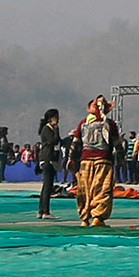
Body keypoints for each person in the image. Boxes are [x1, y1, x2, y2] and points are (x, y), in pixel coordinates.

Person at [72, 96, 120, 227]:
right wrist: (121, 159)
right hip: (103, 160)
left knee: (84, 189)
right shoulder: (109, 124)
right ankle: (98, 217)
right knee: (102, 188)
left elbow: (75, 143)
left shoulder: (83, 123)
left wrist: (71, 159)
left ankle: (84, 218)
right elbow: (117, 144)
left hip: (85, 161)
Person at [36, 109, 63, 218]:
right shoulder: (47, 129)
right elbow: (54, 140)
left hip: (51, 158)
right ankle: (45, 211)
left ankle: (42, 211)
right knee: (47, 186)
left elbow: (59, 140)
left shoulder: (51, 128)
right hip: (47, 159)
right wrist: (56, 129)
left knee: (46, 185)